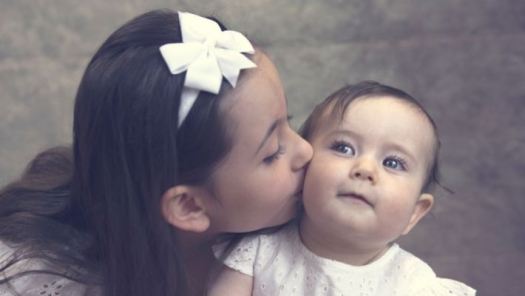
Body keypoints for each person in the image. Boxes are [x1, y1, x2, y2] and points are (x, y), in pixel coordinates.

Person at [0, 9, 313, 296]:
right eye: (272, 153)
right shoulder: (39, 282)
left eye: (289, 122)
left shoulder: (308, 229)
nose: (306, 150)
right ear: (189, 205)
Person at [209, 81, 476, 295]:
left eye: (393, 162)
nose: (365, 169)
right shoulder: (257, 253)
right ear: (304, 166)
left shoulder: (416, 286)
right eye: (343, 148)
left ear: (415, 213)